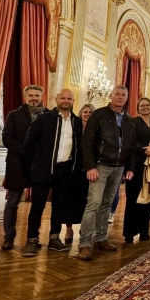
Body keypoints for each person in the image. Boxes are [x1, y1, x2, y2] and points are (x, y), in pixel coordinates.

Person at [20, 89, 82, 257]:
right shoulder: (43, 119)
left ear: (73, 100)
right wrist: (37, 164)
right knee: (37, 206)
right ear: (56, 99)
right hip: (43, 169)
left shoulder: (76, 122)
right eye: (63, 98)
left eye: (69, 98)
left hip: (64, 171)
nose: (66, 101)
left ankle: (54, 238)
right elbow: (28, 145)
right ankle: (32, 240)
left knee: (59, 206)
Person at [78, 86, 137, 261]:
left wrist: (130, 168)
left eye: (123, 95)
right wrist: (90, 166)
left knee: (107, 204)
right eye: (117, 94)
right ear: (111, 96)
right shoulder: (99, 115)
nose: (120, 97)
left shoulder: (129, 119)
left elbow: (131, 146)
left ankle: (101, 238)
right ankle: (85, 244)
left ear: (127, 98)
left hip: (119, 167)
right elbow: (87, 142)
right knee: (93, 203)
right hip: (100, 165)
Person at [1, 85, 47, 251]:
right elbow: (7, 138)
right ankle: (8, 237)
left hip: (40, 165)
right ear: (25, 96)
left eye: (37, 95)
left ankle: (32, 237)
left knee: (38, 204)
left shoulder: (49, 115)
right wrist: (25, 150)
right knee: (12, 202)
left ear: (42, 96)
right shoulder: (14, 115)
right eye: (31, 95)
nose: (34, 98)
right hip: (17, 164)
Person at [123, 97, 150, 243]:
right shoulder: (132, 122)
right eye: (142, 105)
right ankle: (129, 233)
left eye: (147, 105)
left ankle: (144, 231)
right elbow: (129, 142)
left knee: (148, 199)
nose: (145, 107)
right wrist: (145, 149)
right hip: (135, 165)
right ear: (138, 108)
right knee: (133, 199)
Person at [64, 104, 94, 244]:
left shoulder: (96, 128)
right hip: (72, 168)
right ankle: (69, 229)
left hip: (90, 168)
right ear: (81, 113)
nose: (87, 114)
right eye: (85, 111)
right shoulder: (74, 126)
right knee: (69, 199)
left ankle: (85, 227)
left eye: (90, 112)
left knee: (87, 200)